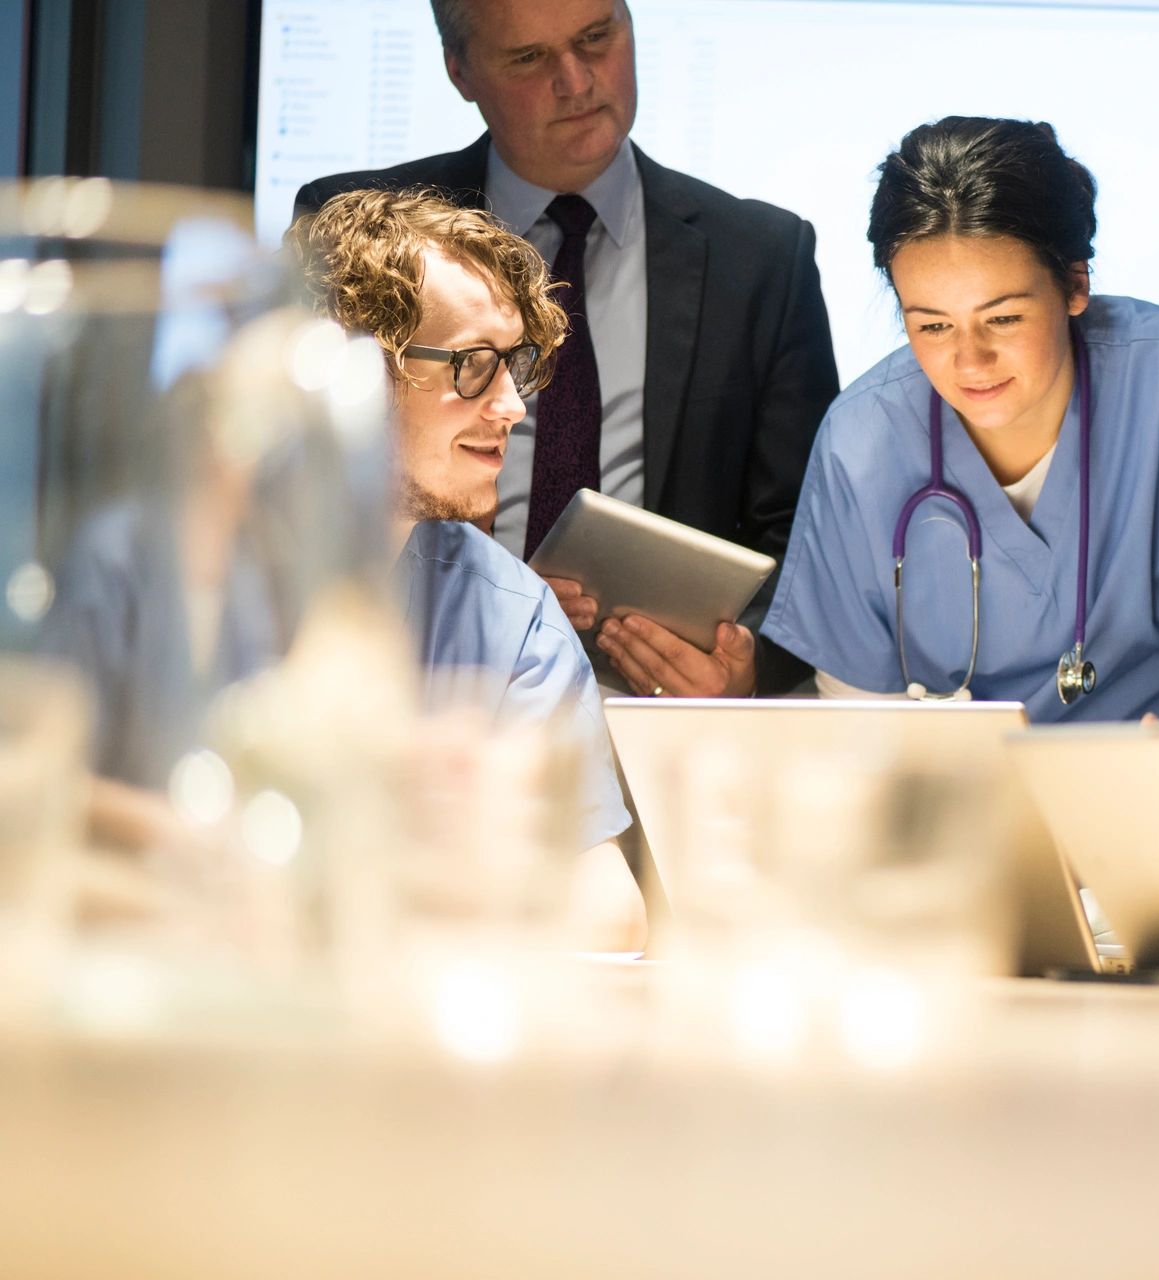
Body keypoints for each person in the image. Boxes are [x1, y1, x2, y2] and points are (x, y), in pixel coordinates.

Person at [293, 0, 838, 696]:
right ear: (459, 70)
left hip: (663, 707)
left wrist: (747, 663)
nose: (577, 81)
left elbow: (807, 536)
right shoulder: (364, 229)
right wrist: (483, 593)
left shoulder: (761, 257)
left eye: (596, 38)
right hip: (421, 680)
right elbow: (305, 475)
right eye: (529, 58)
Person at [737, 116, 1159, 721]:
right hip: (962, 799)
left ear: (1073, 283)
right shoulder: (861, 443)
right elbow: (864, 726)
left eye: (1004, 318)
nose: (969, 360)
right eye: (932, 325)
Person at [289, 188, 644, 937]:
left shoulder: (509, 613)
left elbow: (607, 911)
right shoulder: (164, 567)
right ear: (352, 369)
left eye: (514, 364)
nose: (513, 406)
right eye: (474, 365)